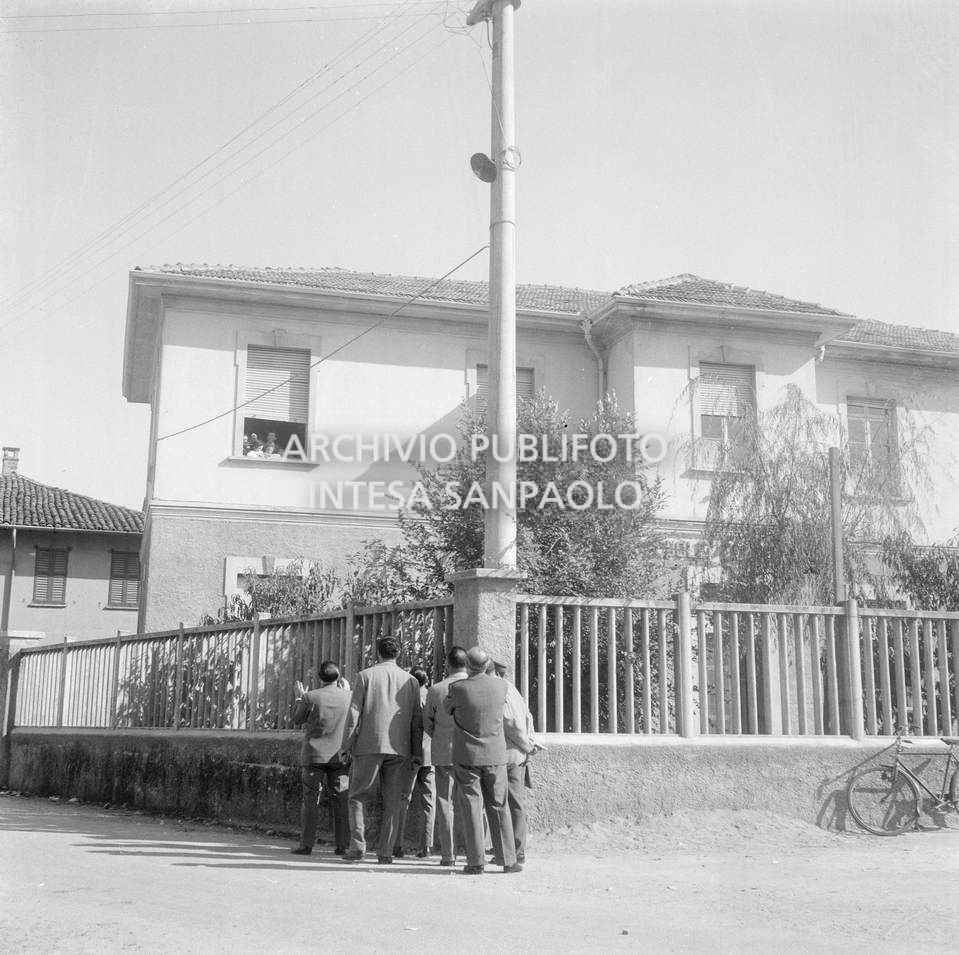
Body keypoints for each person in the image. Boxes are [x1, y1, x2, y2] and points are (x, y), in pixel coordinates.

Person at [445, 646, 533, 874]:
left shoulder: (457, 688)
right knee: (499, 805)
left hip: (467, 756)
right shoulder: (502, 686)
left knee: (472, 807)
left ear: (468, 666)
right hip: (495, 755)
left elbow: (447, 709)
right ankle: (508, 859)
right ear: (486, 665)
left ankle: (475, 861)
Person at [339, 635, 423, 864]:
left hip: (369, 744)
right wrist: (417, 752)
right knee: (393, 800)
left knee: (356, 796)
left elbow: (354, 713)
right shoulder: (411, 681)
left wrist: (345, 745)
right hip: (400, 747)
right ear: (398, 654)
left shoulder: (365, 676)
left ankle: (357, 847)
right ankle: (385, 852)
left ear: (377, 653)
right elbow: (417, 720)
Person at [289, 661, 352, 856]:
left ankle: (306, 845)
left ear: (320, 677)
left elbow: (297, 719)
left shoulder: (310, 697)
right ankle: (343, 845)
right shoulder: (349, 697)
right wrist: (348, 691)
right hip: (340, 760)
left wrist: (299, 699)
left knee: (310, 800)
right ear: (339, 677)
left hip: (313, 757)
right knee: (342, 799)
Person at [491, 657, 539, 866]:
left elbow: (511, 724)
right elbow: (528, 718)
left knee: (506, 804)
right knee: (515, 803)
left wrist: (527, 745)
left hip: (508, 753)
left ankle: (513, 850)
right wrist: (529, 743)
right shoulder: (514, 691)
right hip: (517, 754)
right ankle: (516, 849)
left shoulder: (502, 690)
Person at [423, 645, 469, 866]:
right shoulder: (473, 686)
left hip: (444, 753)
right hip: (470, 754)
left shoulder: (436, 689)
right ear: (466, 664)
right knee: (471, 802)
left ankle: (448, 855)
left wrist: (441, 737)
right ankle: (472, 852)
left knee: (444, 802)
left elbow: (427, 723)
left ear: (448, 664)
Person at [394, 666, 435, 858]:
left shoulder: (408, 698)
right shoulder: (433, 695)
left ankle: (397, 844)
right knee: (429, 801)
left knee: (403, 798)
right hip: (431, 754)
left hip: (412, 753)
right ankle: (426, 846)